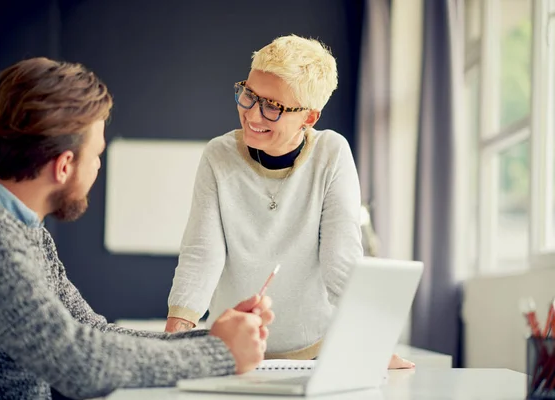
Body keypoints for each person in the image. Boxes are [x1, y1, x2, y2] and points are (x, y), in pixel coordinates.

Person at [0, 57, 274, 400]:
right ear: (64, 166)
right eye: (96, 156)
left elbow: (92, 333)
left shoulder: (17, 227)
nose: (97, 169)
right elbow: (81, 364)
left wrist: (216, 338)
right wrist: (220, 354)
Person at [165, 35, 413, 369]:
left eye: (273, 107)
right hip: (234, 351)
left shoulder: (332, 154)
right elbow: (201, 256)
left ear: (309, 117)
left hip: (315, 352)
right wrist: (173, 342)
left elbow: (341, 262)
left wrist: (374, 345)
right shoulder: (218, 156)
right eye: (249, 95)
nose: (253, 115)